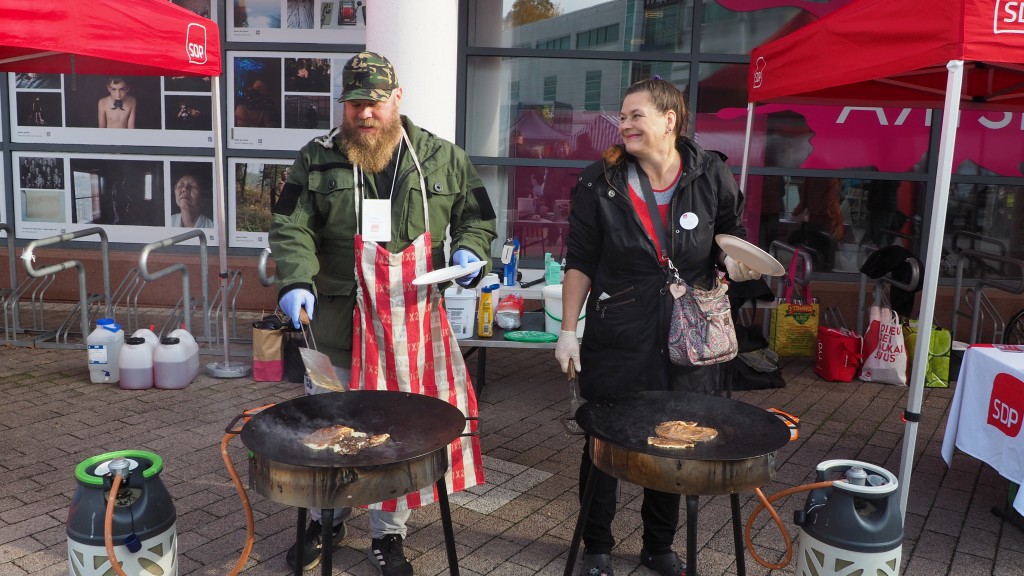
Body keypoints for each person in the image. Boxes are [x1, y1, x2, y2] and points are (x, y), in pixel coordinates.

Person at [269, 51, 496, 575]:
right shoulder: (317, 158)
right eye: (353, 105)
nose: (363, 114)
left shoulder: (442, 157)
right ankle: (326, 520)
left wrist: (470, 249)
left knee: (393, 432)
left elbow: (477, 218)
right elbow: (289, 226)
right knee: (331, 427)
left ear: (397, 99)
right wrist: (296, 278)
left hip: (409, 327)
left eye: (373, 103)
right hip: (334, 326)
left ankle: (388, 536)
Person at [553, 77, 761, 576]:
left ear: (670, 119)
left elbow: (733, 236)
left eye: (635, 115)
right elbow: (580, 259)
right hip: (619, 330)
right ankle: (596, 544)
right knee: (605, 438)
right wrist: (567, 329)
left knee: (677, 440)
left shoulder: (710, 174)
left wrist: (738, 263)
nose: (624, 125)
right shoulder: (598, 182)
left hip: (689, 335)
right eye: (622, 117)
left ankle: (658, 545)